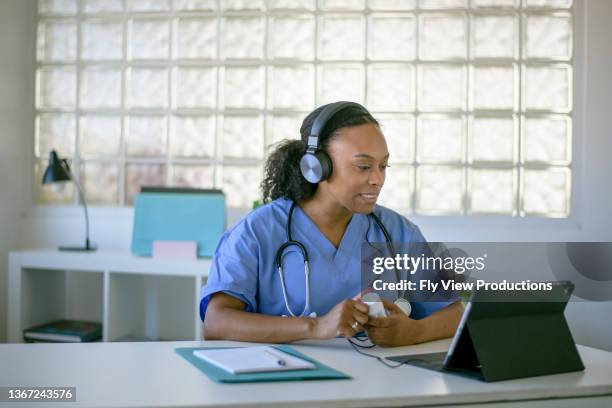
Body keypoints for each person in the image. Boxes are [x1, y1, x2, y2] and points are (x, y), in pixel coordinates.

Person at [200, 101, 463, 346]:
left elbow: (453, 313)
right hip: (285, 385)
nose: (378, 179)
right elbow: (216, 322)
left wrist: (412, 332)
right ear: (316, 166)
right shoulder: (256, 232)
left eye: (383, 166)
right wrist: (316, 327)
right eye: (363, 167)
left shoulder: (397, 231)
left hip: (379, 384)